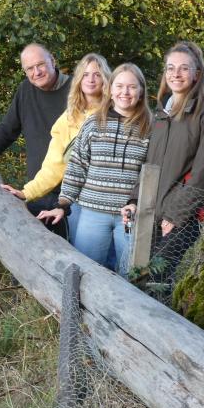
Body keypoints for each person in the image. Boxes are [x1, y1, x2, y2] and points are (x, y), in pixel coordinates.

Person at [120, 41, 204, 285]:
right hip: (151, 212)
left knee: (154, 277)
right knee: (144, 278)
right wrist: (134, 200)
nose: (176, 74)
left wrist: (176, 214)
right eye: (170, 68)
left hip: (184, 216)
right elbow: (150, 164)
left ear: (197, 74)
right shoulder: (161, 114)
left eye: (184, 68)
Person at [37, 63, 152, 276]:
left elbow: (151, 173)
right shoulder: (94, 123)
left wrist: (136, 203)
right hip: (92, 214)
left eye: (131, 87)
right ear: (110, 89)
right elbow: (77, 166)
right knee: (87, 273)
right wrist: (63, 204)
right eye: (119, 86)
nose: (124, 92)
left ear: (141, 91)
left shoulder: (150, 128)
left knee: (133, 275)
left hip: (129, 217)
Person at [0, 43, 72, 234]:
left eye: (41, 65)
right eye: (30, 68)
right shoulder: (26, 90)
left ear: (53, 61)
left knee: (78, 253)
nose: (36, 72)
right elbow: (8, 128)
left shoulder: (76, 92)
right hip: (38, 189)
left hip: (74, 192)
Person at [0, 53, 110, 238]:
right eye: (85, 74)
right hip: (80, 202)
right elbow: (54, 165)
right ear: (78, 79)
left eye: (97, 74)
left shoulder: (115, 112)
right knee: (86, 257)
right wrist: (26, 192)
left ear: (105, 79)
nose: (91, 79)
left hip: (115, 202)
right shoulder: (68, 119)